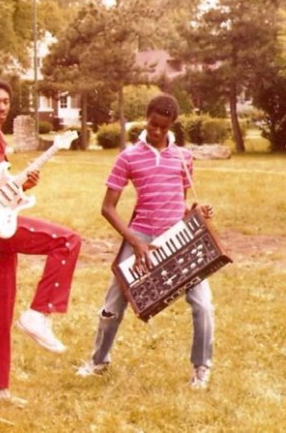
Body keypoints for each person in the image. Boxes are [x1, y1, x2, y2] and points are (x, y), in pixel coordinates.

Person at [0, 79, 82, 403]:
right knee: (67, 240)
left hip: (0, 225)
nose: (2, 107)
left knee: (2, 306)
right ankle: (40, 312)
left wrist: (24, 187)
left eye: (6, 101)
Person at [76, 93, 215, 389]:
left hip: (177, 237)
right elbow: (108, 207)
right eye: (153, 124)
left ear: (172, 125)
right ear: (146, 118)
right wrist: (135, 242)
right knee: (114, 303)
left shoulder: (183, 157)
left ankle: (201, 367)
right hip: (140, 235)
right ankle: (98, 359)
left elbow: (182, 203)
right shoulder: (128, 156)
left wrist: (196, 213)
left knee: (202, 305)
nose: (157, 132)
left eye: (164, 128)